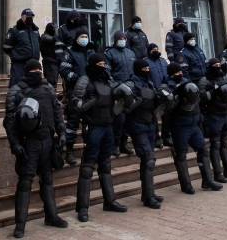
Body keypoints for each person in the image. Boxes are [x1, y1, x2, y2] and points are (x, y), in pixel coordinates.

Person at [4, 60, 68, 237]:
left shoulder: (48, 88)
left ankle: (52, 215)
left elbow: (56, 112)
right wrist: (14, 144)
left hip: (47, 140)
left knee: (47, 180)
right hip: (29, 142)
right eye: (33, 69)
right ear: (26, 71)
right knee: (25, 182)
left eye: (39, 69)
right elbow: (10, 122)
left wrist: (62, 133)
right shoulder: (16, 91)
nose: (37, 72)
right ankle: (20, 224)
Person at [71, 54, 128, 221]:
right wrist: (95, 100)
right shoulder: (84, 81)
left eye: (104, 63)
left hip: (108, 126)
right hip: (93, 127)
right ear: (93, 65)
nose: (103, 66)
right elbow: (76, 105)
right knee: (88, 167)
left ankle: (109, 201)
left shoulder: (107, 80)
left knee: (106, 165)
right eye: (100, 64)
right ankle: (82, 208)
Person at [162, 61, 220, 193]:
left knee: (203, 150)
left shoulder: (188, 83)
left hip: (194, 123)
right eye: (177, 73)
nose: (180, 74)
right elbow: (167, 107)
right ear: (171, 75)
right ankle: (186, 184)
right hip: (180, 125)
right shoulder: (166, 86)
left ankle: (208, 180)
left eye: (181, 72)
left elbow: (197, 100)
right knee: (181, 155)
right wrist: (178, 95)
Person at [125, 59, 163, 209]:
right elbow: (127, 107)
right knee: (149, 159)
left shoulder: (150, 83)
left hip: (150, 125)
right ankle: (149, 197)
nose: (148, 70)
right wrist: (140, 101)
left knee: (147, 162)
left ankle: (148, 193)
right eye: (145, 68)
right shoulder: (132, 84)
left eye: (148, 67)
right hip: (138, 126)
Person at [197, 58, 227, 182]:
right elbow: (202, 97)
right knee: (215, 144)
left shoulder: (223, 78)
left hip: (225, 113)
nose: (217, 67)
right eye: (215, 65)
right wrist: (213, 91)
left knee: (224, 142)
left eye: (218, 65)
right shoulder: (204, 80)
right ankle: (217, 173)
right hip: (214, 114)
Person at [58, 28, 92, 165]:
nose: (84, 38)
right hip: (75, 92)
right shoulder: (69, 52)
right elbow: (64, 71)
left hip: (90, 91)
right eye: (82, 36)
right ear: (77, 38)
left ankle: (88, 150)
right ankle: (70, 151)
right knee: (73, 121)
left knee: (89, 122)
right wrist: (78, 79)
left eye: (86, 36)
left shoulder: (91, 52)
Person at [104, 30, 135, 156]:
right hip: (118, 91)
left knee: (128, 119)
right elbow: (107, 73)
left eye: (124, 38)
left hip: (130, 89)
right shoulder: (109, 53)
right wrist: (114, 87)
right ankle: (115, 144)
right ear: (116, 40)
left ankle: (124, 143)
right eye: (120, 38)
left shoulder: (130, 52)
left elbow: (134, 71)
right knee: (119, 119)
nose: (123, 40)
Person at [3, 9, 40, 87]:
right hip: (19, 64)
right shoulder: (14, 30)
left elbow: (38, 44)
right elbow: (6, 47)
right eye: (28, 16)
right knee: (17, 87)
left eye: (31, 16)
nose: (30, 18)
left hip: (33, 65)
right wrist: (15, 55)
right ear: (22, 17)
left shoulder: (35, 30)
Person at [145, 43, 170, 148]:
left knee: (166, 116)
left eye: (157, 49)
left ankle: (166, 137)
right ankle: (156, 139)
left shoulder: (163, 61)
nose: (156, 50)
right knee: (153, 117)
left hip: (164, 94)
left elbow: (168, 75)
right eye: (153, 49)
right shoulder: (146, 62)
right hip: (153, 93)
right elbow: (146, 78)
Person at [39, 21, 65, 88]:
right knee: (51, 83)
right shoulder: (44, 36)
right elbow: (53, 39)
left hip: (55, 62)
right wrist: (57, 32)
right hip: (50, 63)